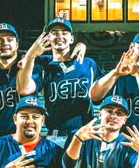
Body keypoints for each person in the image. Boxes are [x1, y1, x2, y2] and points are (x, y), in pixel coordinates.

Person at [17, 17, 101, 148]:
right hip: (56, 136)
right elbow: (24, 89)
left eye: (64, 33)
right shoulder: (43, 65)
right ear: (48, 38)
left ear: (72, 39)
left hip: (85, 135)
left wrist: (82, 44)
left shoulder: (88, 64)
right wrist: (31, 56)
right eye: (54, 33)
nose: (59, 36)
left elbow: (101, 94)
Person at [89, 31, 139, 136]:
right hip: (118, 142)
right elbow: (94, 96)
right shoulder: (114, 75)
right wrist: (116, 73)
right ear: (132, 47)